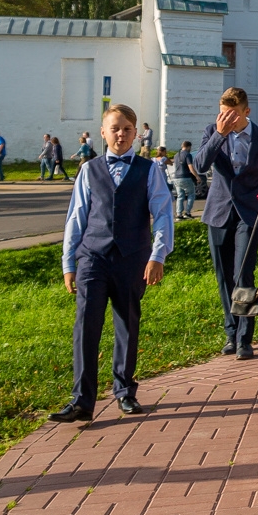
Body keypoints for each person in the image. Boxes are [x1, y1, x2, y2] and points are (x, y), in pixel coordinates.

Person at [51, 105, 174, 424]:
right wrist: (69, 262)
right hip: (93, 257)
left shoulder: (150, 170)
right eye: (114, 128)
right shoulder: (89, 170)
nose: (121, 134)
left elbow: (162, 215)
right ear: (103, 133)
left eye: (127, 129)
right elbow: (76, 217)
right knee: (85, 326)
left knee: (127, 323)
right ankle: (82, 400)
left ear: (137, 133)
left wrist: (157, 255)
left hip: (133, 258)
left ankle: (125, 390)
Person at [199, 89, 258, 361]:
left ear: (246, 111)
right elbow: (200, 165)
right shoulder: (212, 131)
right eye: (222, 113)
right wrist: (219, 135)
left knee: (244, 276)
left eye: (232, 114)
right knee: (224, 278)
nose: (226, 119)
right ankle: (230, 334)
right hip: (218, 213)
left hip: (250, 214)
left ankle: (245, 339)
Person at [170, 140, 200, 219]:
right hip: (185, 177)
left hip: (176, 178)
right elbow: (190, 167)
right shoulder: (187, 154)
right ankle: (188, 212)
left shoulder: (176, 155)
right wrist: (197, 176)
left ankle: (179, 214)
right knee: (191, 194)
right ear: (188, 147)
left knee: (180, 196)